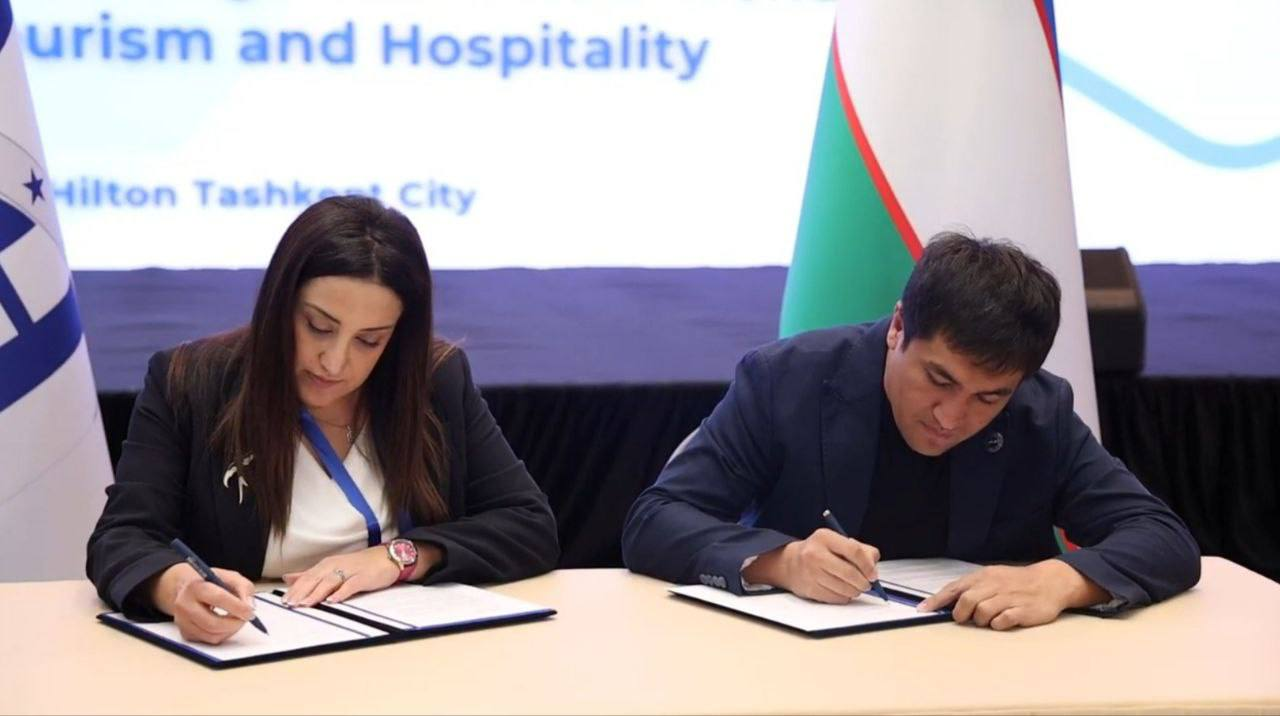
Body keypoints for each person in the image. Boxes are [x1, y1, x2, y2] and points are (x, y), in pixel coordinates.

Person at [622, 233, 1200, 630]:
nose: (951, 416)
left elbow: (1161, 536)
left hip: (988, 674)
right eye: (938, 379)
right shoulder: (787, 379)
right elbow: (656, 519)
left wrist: (1062, 580)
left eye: (989, 397)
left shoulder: (1039, 412)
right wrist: (783, 561)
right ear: (898, 327)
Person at [87, 196, 559, 644]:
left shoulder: (435, 381)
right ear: (280, 304)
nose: (334, 362)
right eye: (318, 327)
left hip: (409, 656)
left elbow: (529, 524)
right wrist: (177, 587)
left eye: (369, 341)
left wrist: (400, 556)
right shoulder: (190, 383)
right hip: (250, 655)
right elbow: (122, 538)